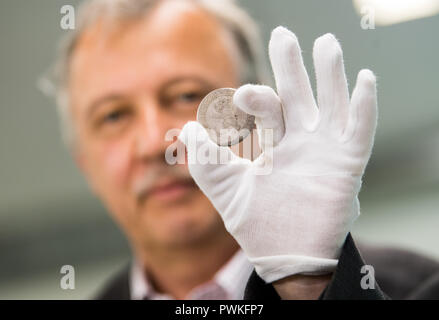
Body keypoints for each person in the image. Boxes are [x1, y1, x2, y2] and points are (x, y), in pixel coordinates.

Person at [47, 0, 439, 300]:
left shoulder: (414, 285)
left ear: (260, 106)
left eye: (185, 95)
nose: (154, 143)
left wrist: (309, 288)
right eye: (113, 116)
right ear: (85, 163)